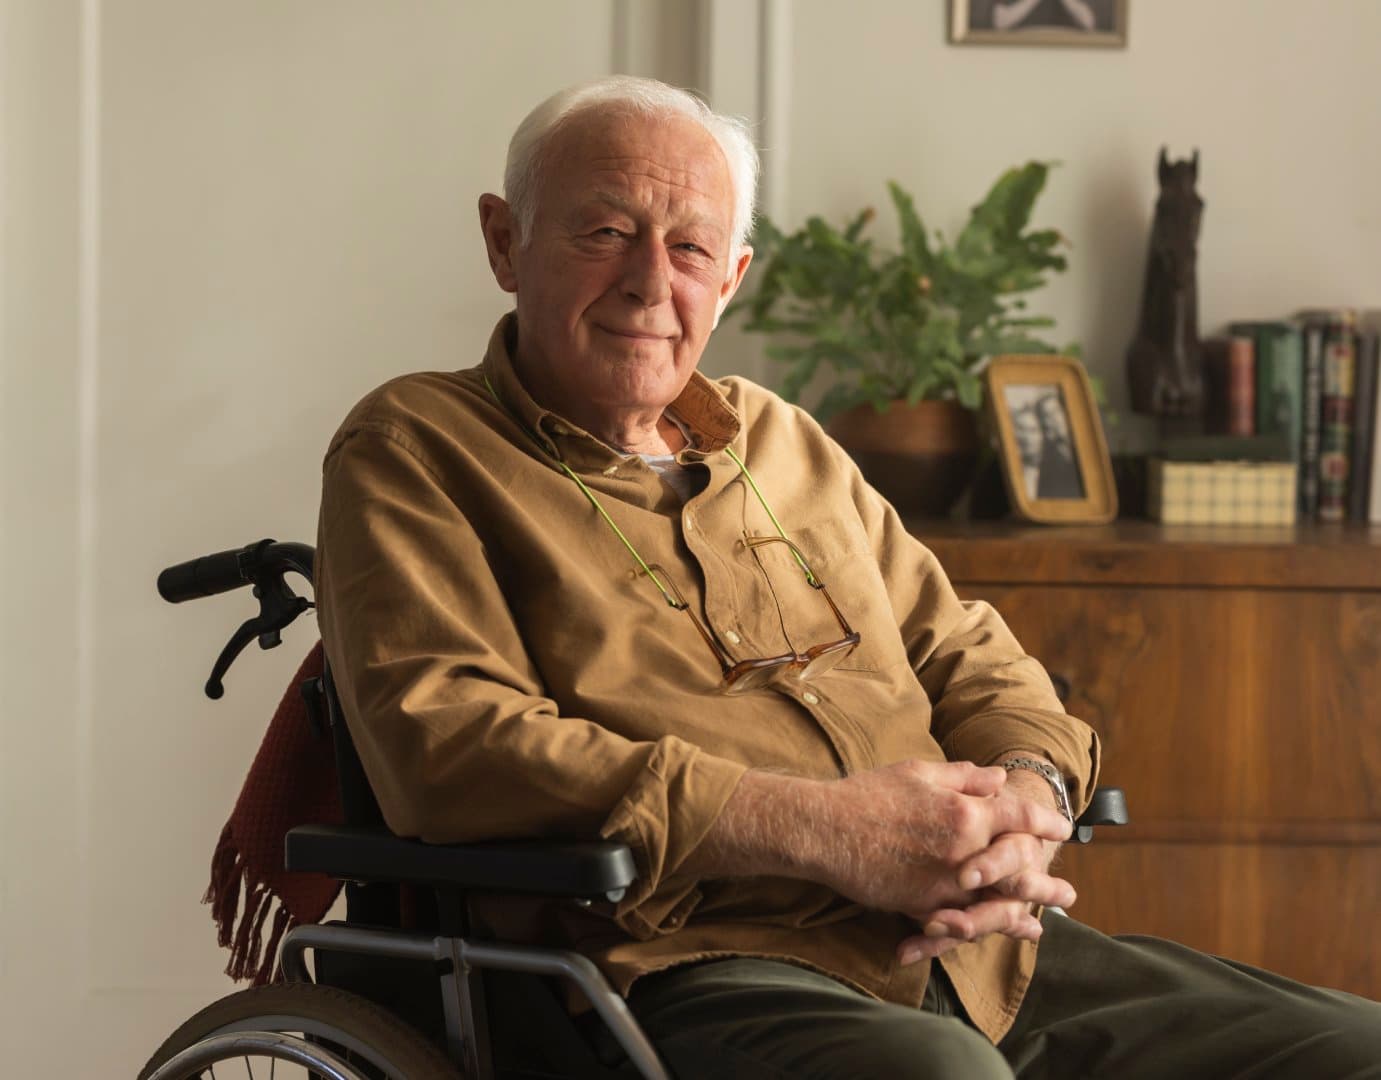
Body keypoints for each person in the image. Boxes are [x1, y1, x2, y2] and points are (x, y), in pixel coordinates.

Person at [315, 76, 1381, 1078]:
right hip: (688, 960)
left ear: (729, 280)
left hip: (976, 952)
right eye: (603, 232)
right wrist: (827, 834)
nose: (650, 281)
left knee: (1348, 1046)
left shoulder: (784, 442)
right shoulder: (416, 446)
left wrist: (1026, 797)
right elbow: (453, 746)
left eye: (691, 247)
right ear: (506, 241)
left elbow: (965, 651)